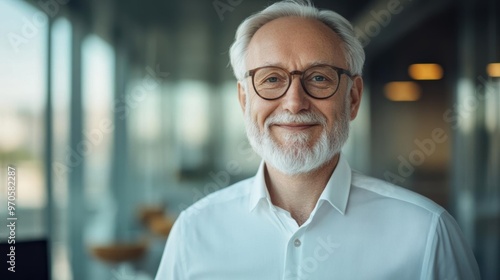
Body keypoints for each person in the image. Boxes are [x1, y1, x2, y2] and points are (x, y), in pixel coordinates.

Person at [155, 1, 480, 279]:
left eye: (319, 78)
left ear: (352, 98)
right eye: (271, 79)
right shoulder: (193, 232)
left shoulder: (427, 232)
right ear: (244, 100)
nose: (294, 103)